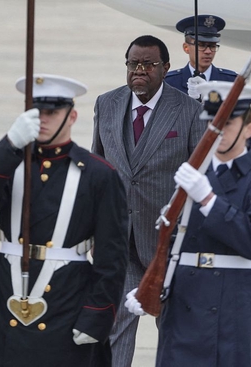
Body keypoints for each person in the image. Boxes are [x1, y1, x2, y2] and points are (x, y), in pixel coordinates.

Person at [0, 74, 129, 366]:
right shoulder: (11, 162)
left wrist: (97, 314)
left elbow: (112, 256)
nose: (43, 119)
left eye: (52, 112)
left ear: (72, 116)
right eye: (36, 111)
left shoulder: (98, 174)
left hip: (66, 299)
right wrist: (9, 144)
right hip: (5, 295)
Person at [126, 81, 251, 366]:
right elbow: (172, 241)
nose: (217, 130)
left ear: (250, 128)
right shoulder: (194, 173)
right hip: (185, 300)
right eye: (212, 122)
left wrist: (210, 200)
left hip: (234, 300)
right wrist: (149, 284)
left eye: (226, 122)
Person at [91, 35, 204, 367]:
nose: (139, 70)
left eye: (148, 64)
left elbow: (198, 181)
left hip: (166, 244)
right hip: (117, 240)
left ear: (166, 68)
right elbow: (98, 171)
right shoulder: (106, 103)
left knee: (173, 329)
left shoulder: (188, 110)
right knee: (115, 329)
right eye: (133, 63)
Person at [165, 15, 237, 99]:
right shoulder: (169, 83)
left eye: (212, 46)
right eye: (201, 45)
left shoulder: (230, 82)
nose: (208, 51)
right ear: (186, 48)